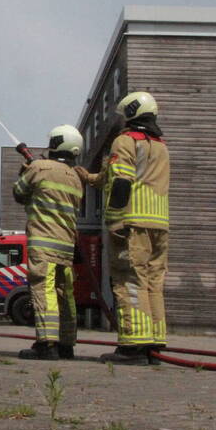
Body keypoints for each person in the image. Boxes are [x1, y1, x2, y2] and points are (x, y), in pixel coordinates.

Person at [76, 91, 170, 366]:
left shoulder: (125, 141)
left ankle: (132, 345)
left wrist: (115, 221)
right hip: (159, 225)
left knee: (129, 280)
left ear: (130, 113)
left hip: (130, 223)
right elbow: (110, 177)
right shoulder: (161, 146)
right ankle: (154, 342)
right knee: (153, 282)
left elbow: (120, 182)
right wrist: (89, 177)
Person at [13, 125, 84, 360]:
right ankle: (66, 344)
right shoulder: (75, 177)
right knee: (65, 294)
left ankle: (47, 344)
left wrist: (25, 172)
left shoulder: (38, 167)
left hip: (44, 242)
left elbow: (19, 193)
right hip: (66, 245)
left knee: (43, 290)